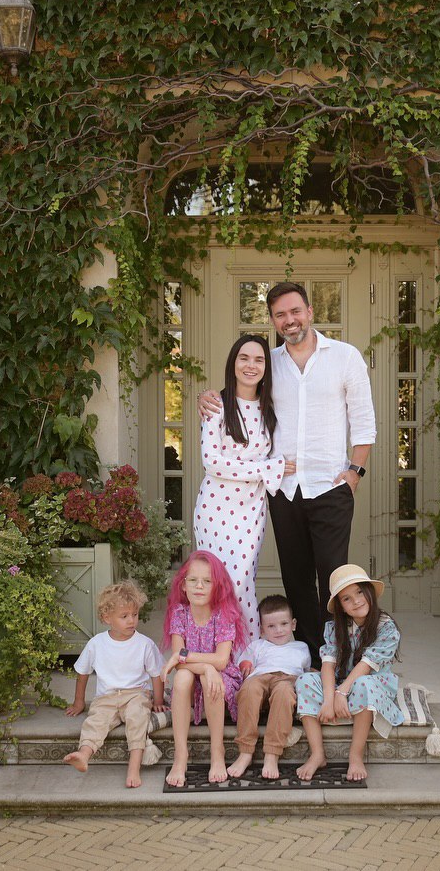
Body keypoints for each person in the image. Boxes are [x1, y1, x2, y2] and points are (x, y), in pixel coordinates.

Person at [201, 282, 376, 666]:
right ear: (273, 320)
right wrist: (209, 397)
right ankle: (311, 660)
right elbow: (242, 393)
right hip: (283, 489)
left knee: (334, 580)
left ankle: (339, 658)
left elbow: (364, 421)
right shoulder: (270, 363)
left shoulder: (344, 357)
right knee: (296, 580)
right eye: (280, 314)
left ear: (310, 312)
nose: (289, 320)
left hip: (330, 486)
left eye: (295, 311)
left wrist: (354, 472)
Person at [193, 334, 295, 643]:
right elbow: (212, 462)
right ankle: (213, 654)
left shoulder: (270, 408)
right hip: (215, 508)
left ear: (266, 367)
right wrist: (267, 469)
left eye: (259, 360)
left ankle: (246, 655)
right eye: (244, 358)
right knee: (214, 583)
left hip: (251, 509)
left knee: (242, 582)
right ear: (233, 363)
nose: (251, 365)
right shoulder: (217, 405)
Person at [294, 564, 405, 782]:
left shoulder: (386, 627)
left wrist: (341, 693)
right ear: (341, 606)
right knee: (305, 680)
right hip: (341, 683)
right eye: (346, 598)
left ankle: (355, 756)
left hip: (372, 684)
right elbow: (328, 664)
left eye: (359, 592)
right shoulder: (335, 626)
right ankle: (317, 753)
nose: (356, 601)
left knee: (364, 683)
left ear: (369, 592)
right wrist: (329, 699)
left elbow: (366, 665)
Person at [63, 581, 167, 788]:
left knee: (138, 719)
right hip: (106, 697)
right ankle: (84, 754)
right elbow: (82, 673)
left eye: (134, 614)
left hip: (136, 695)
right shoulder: (96, 644)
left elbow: (156, 675)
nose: (131, 620)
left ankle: (134, 768)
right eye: (124, 616)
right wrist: (79, 702)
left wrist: (157, 701)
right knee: (96, 721)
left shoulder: (145, 644)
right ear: (106, 618)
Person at [161, 551, 248, 786]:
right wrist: (206, 667)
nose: (199, 586)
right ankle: (181, 756)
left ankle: (217, 752)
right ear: (183, 585)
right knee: (182, 678)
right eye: (193, 580)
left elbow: (221, 661)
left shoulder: (224, 615)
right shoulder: (179, 613)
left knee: (209, 677)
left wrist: (205, 666)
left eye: (207, 581)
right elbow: (180, 662)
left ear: (217, 586)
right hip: (192, 678)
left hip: (221, 679)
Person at [227, 594, 311, 780]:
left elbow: (306, 671)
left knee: (284, 693)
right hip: (261, 677)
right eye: (271, 626)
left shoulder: (301, 647)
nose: (278, 630)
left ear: (293, 624)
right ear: (262, 629)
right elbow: (244, 661)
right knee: (248, 689)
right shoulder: (258, 645)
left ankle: (272, 753)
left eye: (284, 624)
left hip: (287, 680)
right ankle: (245, 751)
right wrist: (246, 665)